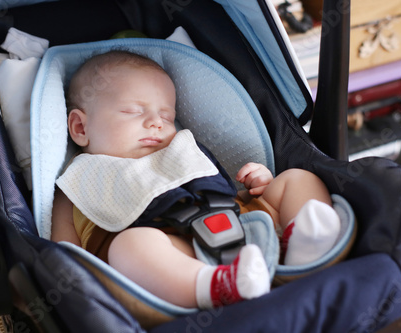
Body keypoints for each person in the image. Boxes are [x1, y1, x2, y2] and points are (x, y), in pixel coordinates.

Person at [51, 50, 340, 309]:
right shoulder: (78, 180)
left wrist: (260, 183)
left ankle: (299, 245)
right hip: (173, 250)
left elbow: (223, 188)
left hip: (238, 221)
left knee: (296, 179)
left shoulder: (178, 150)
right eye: (133, 111)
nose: (156, 122)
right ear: (79, 127)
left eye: (166, 115)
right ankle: (217, 287)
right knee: (130, 247)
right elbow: (64, 252)